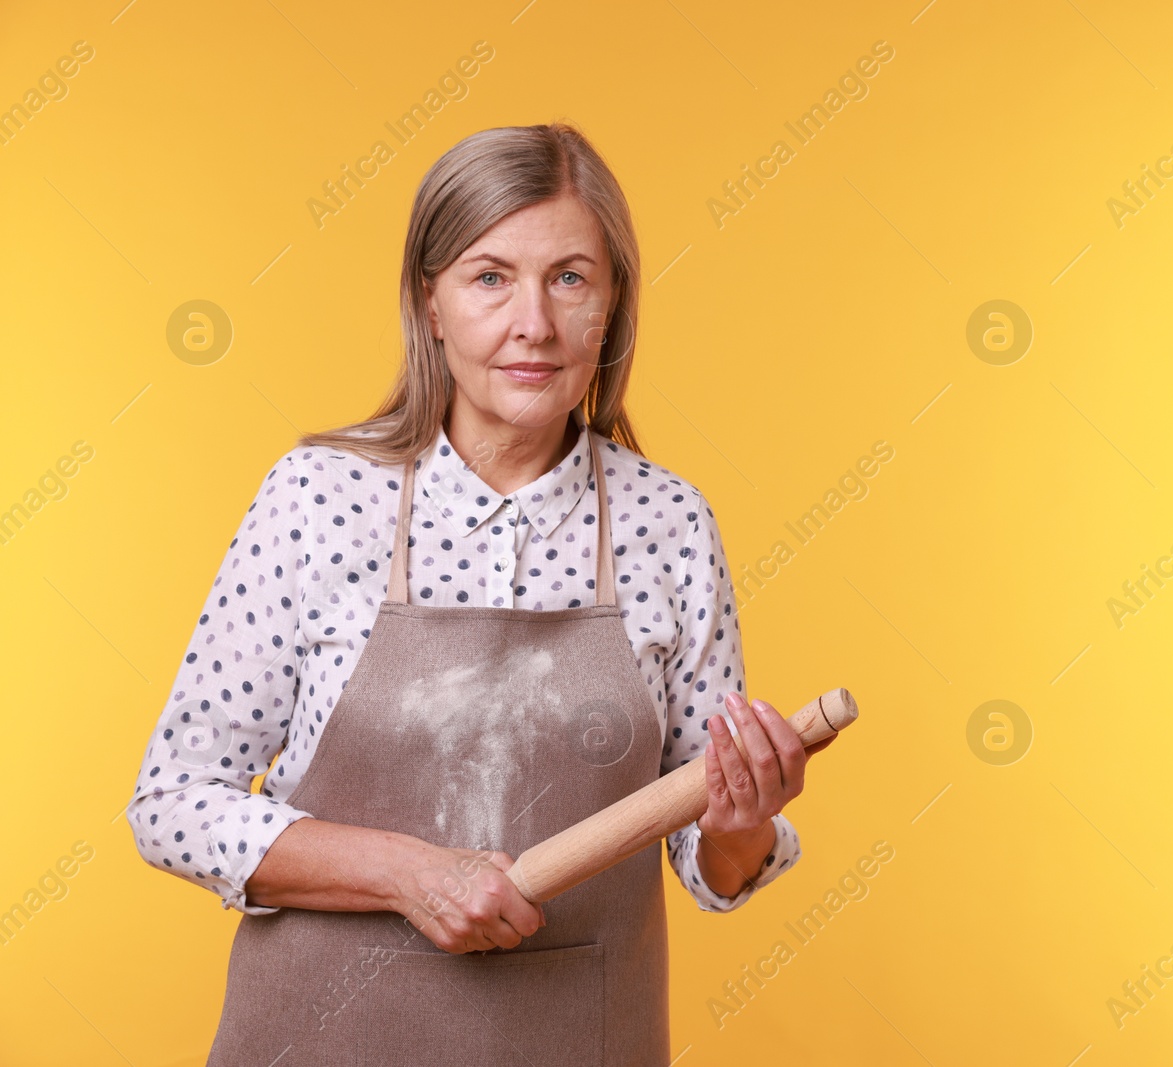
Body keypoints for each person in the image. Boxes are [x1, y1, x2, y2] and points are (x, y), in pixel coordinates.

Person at [125, 122, 829, 1066]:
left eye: (570, 277)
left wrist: (738, 823)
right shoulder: (320, 497)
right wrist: (409, 873)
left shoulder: (670, 522)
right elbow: (173, 800)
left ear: (612, 305)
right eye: (490, 276)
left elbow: (711, 865)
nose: (532, 322)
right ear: (432, 302)